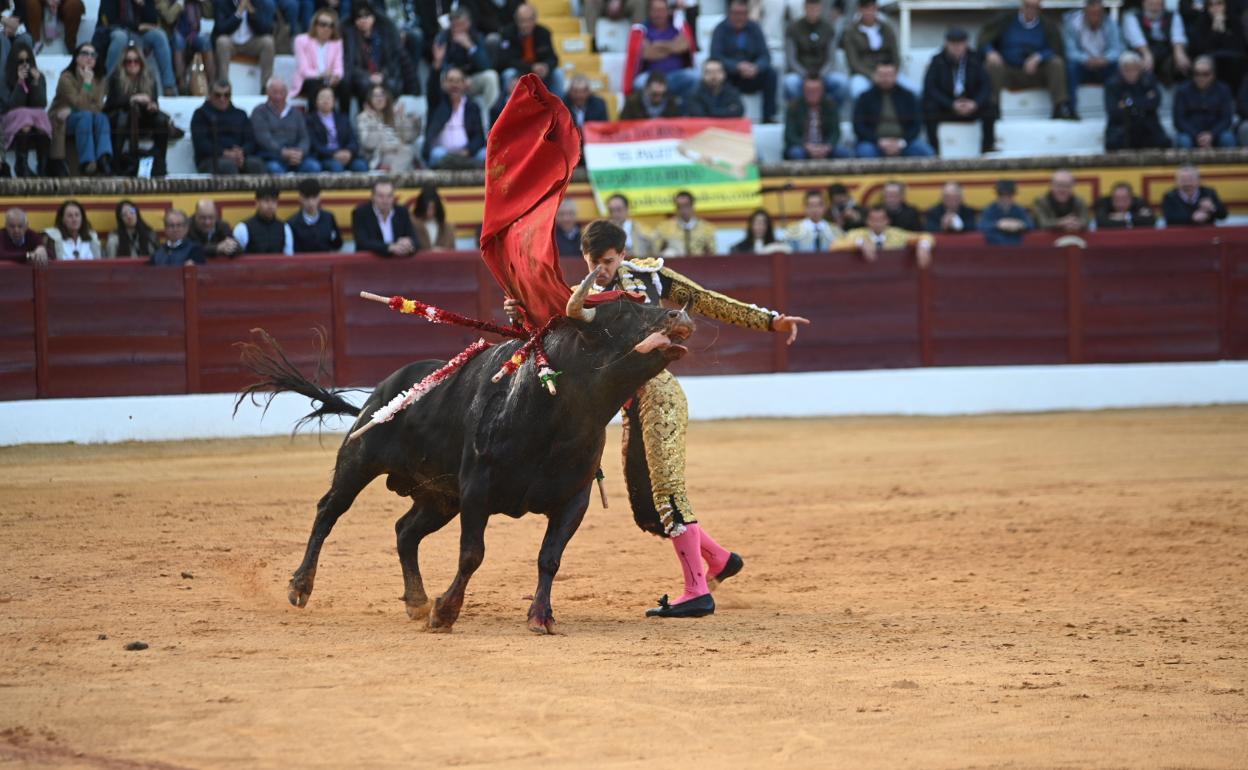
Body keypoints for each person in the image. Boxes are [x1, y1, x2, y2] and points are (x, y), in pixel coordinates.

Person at [505, 220, 809, 618]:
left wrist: (770, 320)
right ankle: (719, 560)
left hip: (659, 394)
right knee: (649, 505)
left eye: (609, 261)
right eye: (594, 262)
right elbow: (549, 343)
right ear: (584, 257)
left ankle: (697, 590)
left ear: (623, 254)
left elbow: (705, 300)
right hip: (629, 405)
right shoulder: (579, 298)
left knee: (667, 492)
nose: (602, 270)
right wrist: (518, 315)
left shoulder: (649, 277)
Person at [979, 0, 1075, 120]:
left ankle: (1059, 107)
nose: (1031, 10)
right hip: (1009, 69)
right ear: (1022, 7)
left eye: (1035, 7)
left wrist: (1039, 57)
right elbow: (984, 39)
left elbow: (1056, 48)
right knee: (991, 65)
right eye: (1028, 6)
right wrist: (990, 52)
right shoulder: (1006, 21)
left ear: (1039, 9)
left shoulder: (1047, 25)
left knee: (1056, 63)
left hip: (1036, 72)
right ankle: (992, 108)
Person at [923, 27, 996, 155]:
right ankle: (934, 150)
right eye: (953, 44)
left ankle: (987, 148)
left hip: (971, 105)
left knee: (991, 107)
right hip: (947, 107)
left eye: (960, 44)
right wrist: (951, 104)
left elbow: (986, 86)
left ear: (966, 44)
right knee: (929, 108)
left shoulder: (976, 59)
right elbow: (930, 88)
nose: (957, 47)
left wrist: (975, 103)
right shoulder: (937, 60)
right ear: (946, 44)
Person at [104, 41, 172, 177]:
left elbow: (153, 101)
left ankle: (159, 163)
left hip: (143, 116)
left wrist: (152, 105)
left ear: (141, 62)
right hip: (118, 116)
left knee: (161, 120)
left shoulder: (149, 77)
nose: (133, 64)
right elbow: (112, 102)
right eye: (128, 61)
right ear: (123, 63)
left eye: (136, 61)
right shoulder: (116, 77)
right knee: (123, 118)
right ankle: (115, 164)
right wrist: (132, 98)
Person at [49, 43, 114, 177]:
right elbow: (81, 105)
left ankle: (103, 158)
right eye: (85, 54)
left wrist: (72, 109)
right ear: (77, 58)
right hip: (62, 121)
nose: (89, 57)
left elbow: (98, 107)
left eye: (93, 55)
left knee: (102, 118)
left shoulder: (100, 79)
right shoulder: (66, 78)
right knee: (85, 116)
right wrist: (87, 83)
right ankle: (88, 163)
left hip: (82, 116)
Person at [709, 0, 776, 122]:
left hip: (752, 74)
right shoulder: (720, 29)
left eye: (743, 13)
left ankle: (768, 116)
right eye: (736, 13)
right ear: (729, 13)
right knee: (716, 74)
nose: (740, 17)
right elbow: (715, 56)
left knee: (771, 74)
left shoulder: (754, 28)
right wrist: (737, 66)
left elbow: (765, 55)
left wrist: (756, 67)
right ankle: (725, 116)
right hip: (730, 75)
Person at [853, 61, 934, 158]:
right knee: (865, 152)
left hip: (905, 142)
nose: (885, 79)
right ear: (875, 76)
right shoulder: (865, 97)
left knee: (926, 152)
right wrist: (880, 142)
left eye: (889, 75)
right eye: (882, 75)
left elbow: (916, 125)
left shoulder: (908, 96)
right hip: (874, 143)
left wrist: (901, 142)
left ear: (896, 76)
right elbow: (859, 126)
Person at [100, 0, 177, 97]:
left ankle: (168, 86)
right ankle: (107, 84)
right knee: (120, 37)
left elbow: (153, 21)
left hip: (138, 35)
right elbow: (110, 20)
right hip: (115, 32)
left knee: (160, 35)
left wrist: (144, 5)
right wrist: (137, 26)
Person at [623, 0, 697, 98]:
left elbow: (684, 46)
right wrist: (673, 46)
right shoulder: (641, 30)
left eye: (662, 10)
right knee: (639, 82)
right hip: (651, 77)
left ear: (668, 11)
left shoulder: (678, 26)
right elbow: (648, 53)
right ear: (649, 12)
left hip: (677, 76)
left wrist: (657, 45)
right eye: (655, 10)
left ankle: (686, 112)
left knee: (696, 77)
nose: (659, 14)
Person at [842, 0, 915, 98]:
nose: (869, 12)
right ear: (860, 10)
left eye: (872, 8)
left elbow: (895, 54)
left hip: (889, 72)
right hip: (864, 74)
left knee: (915, 91)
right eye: (865, 9)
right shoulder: (851, 32)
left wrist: (892, 72)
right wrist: (872, 75)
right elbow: (853, 62)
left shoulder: (887, 28)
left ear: (876, 9)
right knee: (858, 91)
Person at [191, 79, 266, 174]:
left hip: (239, 157)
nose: (222, 99)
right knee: (228, 166)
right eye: (218, 95)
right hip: (210, 159)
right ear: (210, 95)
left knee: (256, 164)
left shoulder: (240, 114)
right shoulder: (201, 114)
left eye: (226, 95)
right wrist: (225, 153)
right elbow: (201, 143)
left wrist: (241, 152)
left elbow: (251, 140)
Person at [431, 7, 499, 110]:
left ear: (468, 24)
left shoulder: (476, 36)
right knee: (440, 79)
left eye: (460, 25)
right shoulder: (443, 38)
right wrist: (458, 79)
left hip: (470, 81)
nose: (457, 29)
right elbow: (441, 65)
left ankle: (495, 121)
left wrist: (470, 47)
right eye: (455, 26)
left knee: (491, 76)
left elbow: (486, 65)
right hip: (450, 79)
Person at [0, 40, 50, 177]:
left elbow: (40, 104)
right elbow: (11, 105)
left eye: (27, 60)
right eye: (20, 61)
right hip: (8, 118)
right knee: (24, 115)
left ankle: (43, 166)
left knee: (41, 115)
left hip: (33, 118)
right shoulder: (4, 78)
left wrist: (36, 83)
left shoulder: (39, 77)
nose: (24, 64)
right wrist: (20, 83)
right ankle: (21, 165)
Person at [1062, 0, 1123, 114]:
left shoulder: (1110, 24)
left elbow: (1117, 49)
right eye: (1092, 14)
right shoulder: (1073, 24)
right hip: (1083, 65)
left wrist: (1105, 59)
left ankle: (1115, 109)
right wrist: (1086, 60)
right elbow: (1070, 51)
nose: (1095, 17)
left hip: (1104, 64)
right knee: (1071, 67)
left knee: (1117, 67)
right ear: (1085, 12)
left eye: (1098, 14)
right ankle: (1071, 109)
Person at [783, 0, 849, 105]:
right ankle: (799, 113)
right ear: (805, 8)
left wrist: (820, 76)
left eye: (816, 8)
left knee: (842, 82)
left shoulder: (828, 28)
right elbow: (791, 59)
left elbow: (831, 59)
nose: (813, 11)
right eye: (810, 8)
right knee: (790, 82)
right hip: (801, 73)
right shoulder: (794, 28)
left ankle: (831, 114)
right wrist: (806, 75)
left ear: (820, 8)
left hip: (824, 73)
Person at [1104, 51, 1171, 151]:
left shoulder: (1148, 81)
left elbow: (1155, 103)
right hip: (1122, 127)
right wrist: (1143, 101)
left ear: (1139, 69)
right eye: (1127, 70)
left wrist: (1128, 103)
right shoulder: (1112, 84)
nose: (1131, 73)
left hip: (1147, 126)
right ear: (1120, 70)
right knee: (1113, 143)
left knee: (1164, 142)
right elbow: (1113, 111)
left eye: (1134, 69)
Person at [343, 2, 405, 109]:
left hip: (383, 75)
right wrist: (368, 77)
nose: (363, 20)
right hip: (362, 79)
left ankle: (388, 119)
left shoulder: (384, 34)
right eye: (359, 17)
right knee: (364, 85)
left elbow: (391, 62)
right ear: (355, 21)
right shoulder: (350, 38)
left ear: (373, 17)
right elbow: (350, 65)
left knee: (393, 84)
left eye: (367, 16)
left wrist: (382, 75)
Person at [252, 77, 320, 173]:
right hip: (272, 157)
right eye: (274, 92)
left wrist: (300, 152)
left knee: (314, 167)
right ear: (267, 93)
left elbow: (304, 137)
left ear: (287, 93)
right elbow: (263, 138)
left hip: (297, 158)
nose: (278, 96)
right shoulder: (259, 111)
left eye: (282, 92)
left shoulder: (296, 113)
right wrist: (282, 152)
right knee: (275, 169)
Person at [423, 66, 486, 169]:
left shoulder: (472, 107)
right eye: (451, 81)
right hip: (444, 154)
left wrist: (467, 151)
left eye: (458, 81)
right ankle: (461, 165)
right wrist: (437, 67)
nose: (454, 85)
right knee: (437, 154)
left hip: (466, 154)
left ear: (464, 84)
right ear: (444, 84)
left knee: (484, 154)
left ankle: (460, 163)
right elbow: (432, 88)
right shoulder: (437, 103)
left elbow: (479, 137)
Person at [832, 205, 935, 267]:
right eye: (874, 220)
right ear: (868, 221)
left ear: (887, 221)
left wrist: (923, 246)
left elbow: (926, 236)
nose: (877, 223)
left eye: (881, 220)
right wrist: (860, 243)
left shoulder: (896, 234)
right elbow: (834, 246)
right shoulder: (857, 234)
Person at [496, 3, 562, 97]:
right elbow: (504, 61)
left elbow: (553, 58)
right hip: (519, 70)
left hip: (540, 72)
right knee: (508, 74)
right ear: (516, 20)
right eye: (522, 21)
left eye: (529, 20)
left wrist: (546, 66)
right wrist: (531, 67)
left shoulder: (544, 33)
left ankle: (558, 109)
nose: (525, 25)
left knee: (558, 73)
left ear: (535, 19)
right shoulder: (507, 33)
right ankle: (509, 107)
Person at [1173, 56, 1236, 148]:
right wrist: (1197, 135)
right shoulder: (1182, 91)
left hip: (1216, 133)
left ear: (1213, 75)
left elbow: (1226, 119)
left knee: (1227, 138)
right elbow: (1179, 120)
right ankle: (1187, 163)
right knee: (1183, 140)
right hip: (1191, 133)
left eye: (1205, 74)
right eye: (1197, 73)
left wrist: (1211, 134)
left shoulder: (1223, 90)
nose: (1200, 77)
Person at [1123, 0, 1191, 85]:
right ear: (1144, 4)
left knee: (1182, 61)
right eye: (1151, 4)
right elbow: (1137, 39)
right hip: (1144, 51)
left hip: (1167, 52)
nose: (1154, 8)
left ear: (1163, 5)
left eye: (1157, 4)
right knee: (1138, 62)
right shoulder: (1133, 17)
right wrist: (1147, 54)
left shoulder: (1173, 16)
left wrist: (1179, 54)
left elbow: (1177, 36)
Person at [213, 0, 277, 90]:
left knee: (268, 42)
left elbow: (265, 30)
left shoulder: (259, 2)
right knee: (222, 41)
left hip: (251, 43)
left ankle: (266, 87)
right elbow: (221, 29)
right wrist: (239, 12)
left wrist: (252, 12)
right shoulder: (222, 2)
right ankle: (224, 84)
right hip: (231, 42)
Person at [357, 84, 419, 172]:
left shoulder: (393, 115)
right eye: (375, 96)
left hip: (398, 152)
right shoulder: (364, 118)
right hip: (379, 156)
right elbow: (368, 144)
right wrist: (374, 122)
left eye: (382, 95)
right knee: (406, 155)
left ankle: (390, 181)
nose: (379, 99)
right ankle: (392, 181)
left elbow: (408, 138)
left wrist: (403, 119)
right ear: (369, 99)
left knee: (407, 152)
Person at [1187, 0, 1246, 91]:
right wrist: (1215, 31)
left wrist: (1223, 31)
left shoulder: (1235, 21)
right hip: (1209, 65)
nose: (1215, 7)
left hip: (1233, 67)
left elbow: (1239, 47)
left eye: (1219, 3)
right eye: (1211, 5)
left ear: (1226, 5)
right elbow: (1200, 49)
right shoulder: (1201, 22)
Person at [306, 85, 367, 171]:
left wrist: (348, 152)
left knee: (361, 165)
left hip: (345, 155)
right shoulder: (310, 120)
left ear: (334, 101)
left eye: (328, 97)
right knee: (336, 166)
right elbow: (314, 145)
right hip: (324, 157)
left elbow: (353, 140)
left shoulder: (343, 119)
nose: (325, 100)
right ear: (316, 101)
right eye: (322, 97)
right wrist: (334, 154)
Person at [783, 75, 845, 159]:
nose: (812, 94)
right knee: (796, 152)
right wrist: (806, 146)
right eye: (809, 91)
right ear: (803, 91)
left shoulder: (831, 106)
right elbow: (789, 135)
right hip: (803, 147)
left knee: (842, 152)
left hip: (825, 147)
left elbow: (835, 132)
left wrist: (827, 146)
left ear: (822, 91)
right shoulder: (794, 107)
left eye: (815, 91)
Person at [159, 0, 215, 94]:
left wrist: (203, 1)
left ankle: (212, 85)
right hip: (172, 34)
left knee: (205, 41)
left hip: (194, 34)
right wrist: (180, 2)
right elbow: (169, 18)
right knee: (178, 40)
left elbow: (210, 15)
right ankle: (182, 85)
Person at [352, 178, 418, 256]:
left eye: (389, 196)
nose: (385, 200)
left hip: (399, 263)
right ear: (373, 197)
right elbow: (362, 243)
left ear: (394, 197)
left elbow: (416, 240)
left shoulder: (402, 212)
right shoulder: (361, 213)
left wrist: (409, 243)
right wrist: (389, 247)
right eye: (381, 196)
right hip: (370, 264)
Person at [292, 7, 344, 101]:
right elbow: (304, 71)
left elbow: (339, 69)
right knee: (316, 85)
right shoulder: (301, 40)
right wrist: (322, 74)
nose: (327, 28)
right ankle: (314, 115)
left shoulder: (337, 43)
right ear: (315, 25)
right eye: (323, 24)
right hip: (308, 81)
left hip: (328, 80)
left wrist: (335, 76)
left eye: (331, 25)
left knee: (345, 84)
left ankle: (342, 115)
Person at [652, 190, 717, 257]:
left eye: (686, 205)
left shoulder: (706, 228)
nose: (683, 210)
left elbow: (712, 253)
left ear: (692, 206)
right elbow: (656, 252)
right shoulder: (664, 227)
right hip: (674, 265)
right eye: (679, 206)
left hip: (699, 264)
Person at [234, 187, 294, 255]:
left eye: (274, 201)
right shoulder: (242, 228)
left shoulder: (285, 228)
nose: (270, 206)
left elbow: (289, 257)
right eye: (266, 201)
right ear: (257, 203)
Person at [287, 178, 342, 253]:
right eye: (307, 198)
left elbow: (338, 244)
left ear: (319, 197)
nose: (311, 202)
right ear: (300, 198)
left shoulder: (329, 218)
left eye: (314, 197)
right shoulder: (292, 223)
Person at [1161, 164, 1228, 226]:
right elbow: (1169, 219)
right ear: (1177, 181)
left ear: (1199, 180)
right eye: (1183, 180)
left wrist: (1212, 207)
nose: (1187, 184)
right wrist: (1192, 218)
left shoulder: (1208, 193)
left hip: (1207, 233)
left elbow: (1223, 215)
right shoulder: (1169, 196)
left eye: (1190, 179)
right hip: (1179, 235)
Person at [979, 179, 1035, 245]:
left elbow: (1030, 224)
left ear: (1013, 196)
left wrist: (1019, 225)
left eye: (1009, 196)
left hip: (1016, 246)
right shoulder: (990, 209)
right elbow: (981, 225)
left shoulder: (1019, 209)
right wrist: (999, 224)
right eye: (1002, 195)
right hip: (996, 246)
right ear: (998, 196)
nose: (1006, 198)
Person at [15, 0, 83, 49]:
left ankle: (71, 46)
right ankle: (34, 45)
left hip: (63, 3)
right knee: (31, 3)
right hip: (38, 4)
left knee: (74, 4)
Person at [605, 193, 652, 257]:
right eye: (611, 211)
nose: (615, 214)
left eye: (619, 210)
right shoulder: (604, 231)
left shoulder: (640, 229)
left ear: (627, 209)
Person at [412, 184, 456, 251]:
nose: (429, 212)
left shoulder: (448, 228)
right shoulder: (413, 225)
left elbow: (453, 251)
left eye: (432, 208)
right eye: (427, 208)